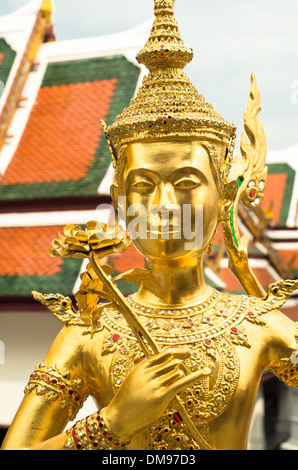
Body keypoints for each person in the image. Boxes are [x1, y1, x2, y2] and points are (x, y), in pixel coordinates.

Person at [2, 0, 298, 451]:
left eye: (186, 182)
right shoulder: (90, 333)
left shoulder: (257, 324)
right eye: (142, 184)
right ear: (120, 200)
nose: (163, 206)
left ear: (224, 196)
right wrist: (114, 422)